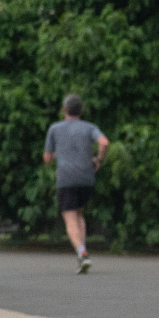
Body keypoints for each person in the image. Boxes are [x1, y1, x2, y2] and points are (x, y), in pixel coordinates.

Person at [42, 93, 110, 273]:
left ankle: (82, 253)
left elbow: (47, 158)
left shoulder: (55, 129)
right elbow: (104, 142)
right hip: (86, 178)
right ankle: (83, 251)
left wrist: (59, 154)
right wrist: (98, 160)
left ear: (64, 110)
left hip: (66, 178)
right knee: (79, 214)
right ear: (81, 110)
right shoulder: (89, 127)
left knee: (70, 217)